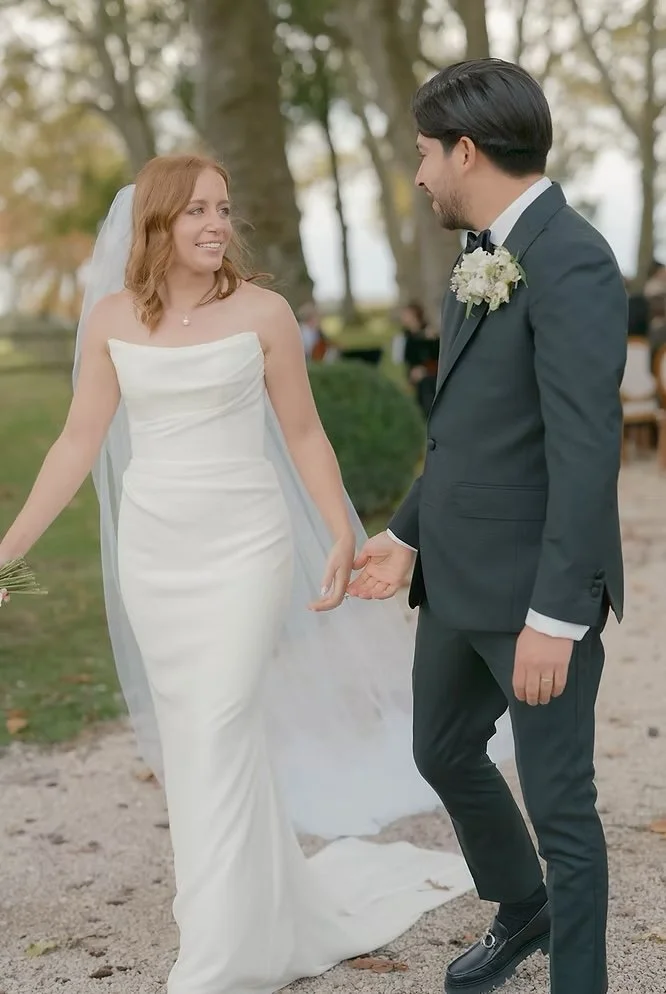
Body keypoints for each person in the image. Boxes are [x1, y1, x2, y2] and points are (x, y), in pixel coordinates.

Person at [0, 154, 514, 994]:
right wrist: (10, 548)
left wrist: (340, 533)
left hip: (245, 549)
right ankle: (250, 912)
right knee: (201, 740)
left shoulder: (266, 313)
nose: (214, 224)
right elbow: (76, 442)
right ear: (155, 223)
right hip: (156, 557)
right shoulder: (109, 320)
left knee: (222, 720)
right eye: (195, 209)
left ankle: (218, 957)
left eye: (223, 209)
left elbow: (306, 435)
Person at [349, 59, 627, 994]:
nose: (420, 175)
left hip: (529, 600)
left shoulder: (575, 259)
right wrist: (405, 535)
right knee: (441, 749)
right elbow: (465, 432)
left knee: (563, 813)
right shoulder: (481, 252)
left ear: (466, 150)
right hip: (456, 580)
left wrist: (558, 616)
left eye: (425, 155)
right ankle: (523, 906)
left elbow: (588, 455)